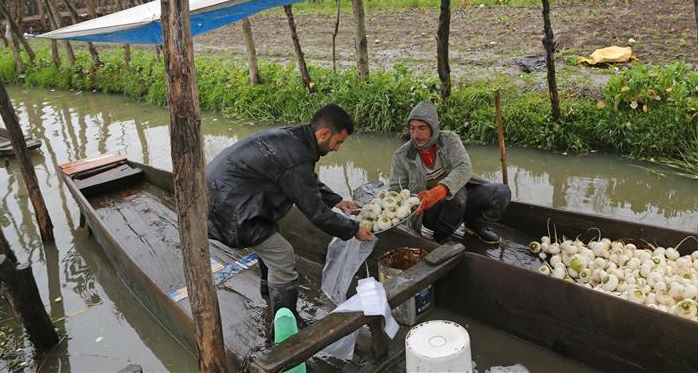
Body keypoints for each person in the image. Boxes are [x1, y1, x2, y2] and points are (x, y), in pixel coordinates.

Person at [206, 103, 374, 324]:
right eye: (338, 141)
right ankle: (285, 322)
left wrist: (338, 201)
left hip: (224, 196)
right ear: (324, 133)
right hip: (229, 211)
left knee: (270, 236)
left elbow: (305, 180)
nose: (337, 148)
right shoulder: (298, 155)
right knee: (282, 254)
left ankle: (269, 292)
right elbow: (316, 214)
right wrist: (354, 230)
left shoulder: (294, 138)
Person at [390, 101, 511, 245]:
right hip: (431, 212)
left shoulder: (449, 140)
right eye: (412, 129)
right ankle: (441, 238)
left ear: (433, 128)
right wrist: (385, 204)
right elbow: (396, 191)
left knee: (501, 192)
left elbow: (464, 168)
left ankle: (474, 225)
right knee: (457, 197)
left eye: (422, 128)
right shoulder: (402, 155)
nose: (416, 135)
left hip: (458, 200)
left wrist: (441, 189)